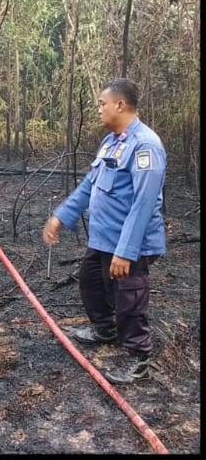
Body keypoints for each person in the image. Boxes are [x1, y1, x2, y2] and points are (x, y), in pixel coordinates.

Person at [44, 79, 166, 385]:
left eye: (102, 103)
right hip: (103, 238)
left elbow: (144, 204)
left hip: (129, 243)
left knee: (129, 298)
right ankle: (105, 329)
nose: (98, 109)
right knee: (91, 282)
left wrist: (126, 252)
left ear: (120, 105)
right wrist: (61, 216)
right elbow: (90, 184)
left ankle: (140, 359)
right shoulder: (111, 142)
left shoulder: (145, 145)